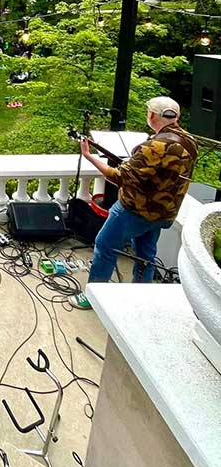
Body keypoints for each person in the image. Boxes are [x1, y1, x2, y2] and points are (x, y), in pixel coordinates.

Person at [71, 96, 198, 309]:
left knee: (105, 246)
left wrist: (89, 156)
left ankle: (93, 297)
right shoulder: (189, 141)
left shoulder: (154, 146)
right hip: (164, 213)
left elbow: (119, 177)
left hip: (135, 210)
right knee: (146, 255)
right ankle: (140, 297)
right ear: (176, 116)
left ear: (152, 115)